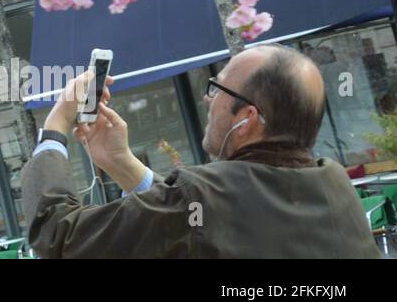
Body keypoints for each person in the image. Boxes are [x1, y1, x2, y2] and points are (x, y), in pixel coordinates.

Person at [21, 44, 379, 258]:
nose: (208, 99)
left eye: (217, 89)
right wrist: (121, 163)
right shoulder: (336, 185)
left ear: (248, 118)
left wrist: (55, 127)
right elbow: (204, 224)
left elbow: (57, 238)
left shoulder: (206, 195)